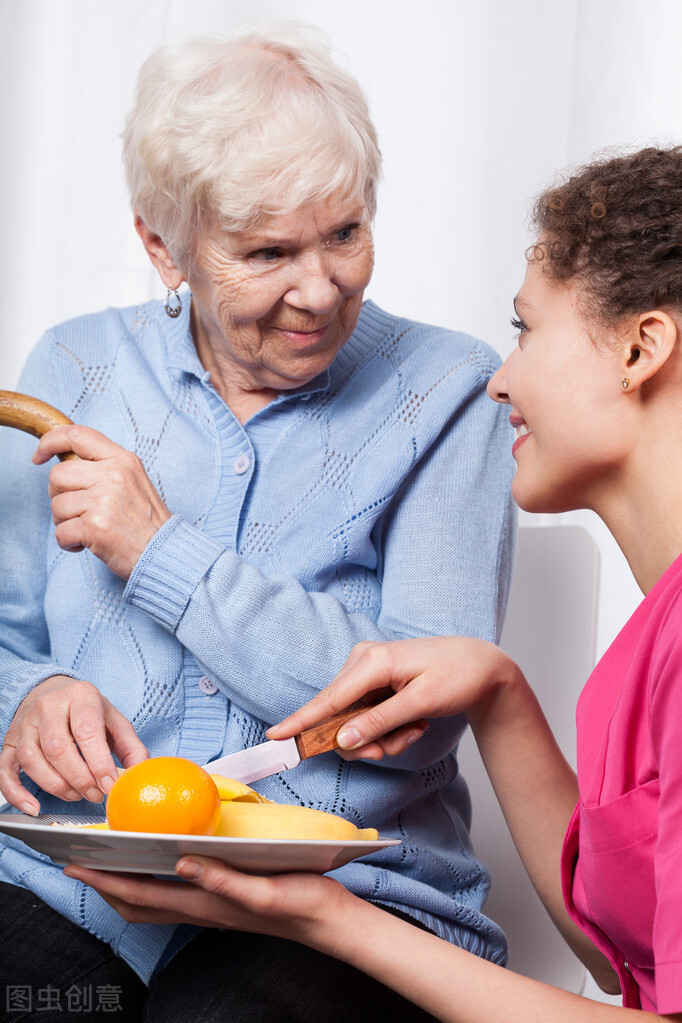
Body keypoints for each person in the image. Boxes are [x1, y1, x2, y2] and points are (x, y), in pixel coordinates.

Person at [68, 144, 682, 1021]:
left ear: (641, 347)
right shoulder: (646, 644)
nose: (500, 379)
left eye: (526, 328)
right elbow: (624, 949)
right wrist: (499, 692)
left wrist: (327, 916)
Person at [0, 22, 515, 1023]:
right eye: (267, 252)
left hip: (342, 908)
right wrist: (32, 693)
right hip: (73, 887)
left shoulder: (452, 392)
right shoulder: (73, 367)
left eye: (346, 233)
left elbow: (408, 720)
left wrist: (158, 550)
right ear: (163, 245)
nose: (320, 291)